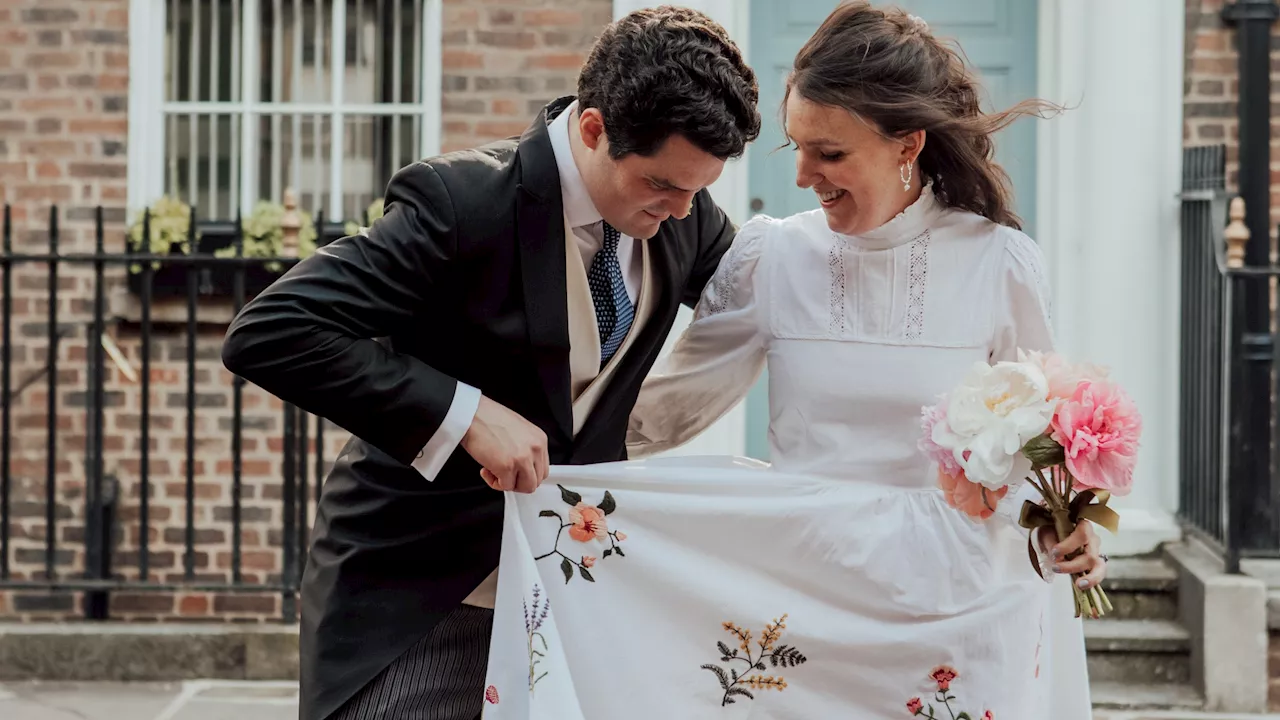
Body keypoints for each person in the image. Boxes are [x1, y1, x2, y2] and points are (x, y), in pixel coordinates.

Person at [219, 7, 761, 720]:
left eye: (700, 188)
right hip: (419, 594)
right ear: (595, 129)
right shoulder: (462, 201)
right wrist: (466, 415)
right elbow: (273, 330)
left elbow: (766, 300)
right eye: (663, 184)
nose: (685, 208)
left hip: (571, 598)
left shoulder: (681, 214)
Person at [626, 3, 1101, 717]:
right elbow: (663, 413)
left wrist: (1072, 524)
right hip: (806, 612)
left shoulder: (998, 263)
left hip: (957, 614)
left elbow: (1043, 438)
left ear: (907, 145)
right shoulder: (772, 257)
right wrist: (528, 442)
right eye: (798, 148)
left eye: (832, 153)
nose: (804, 176)